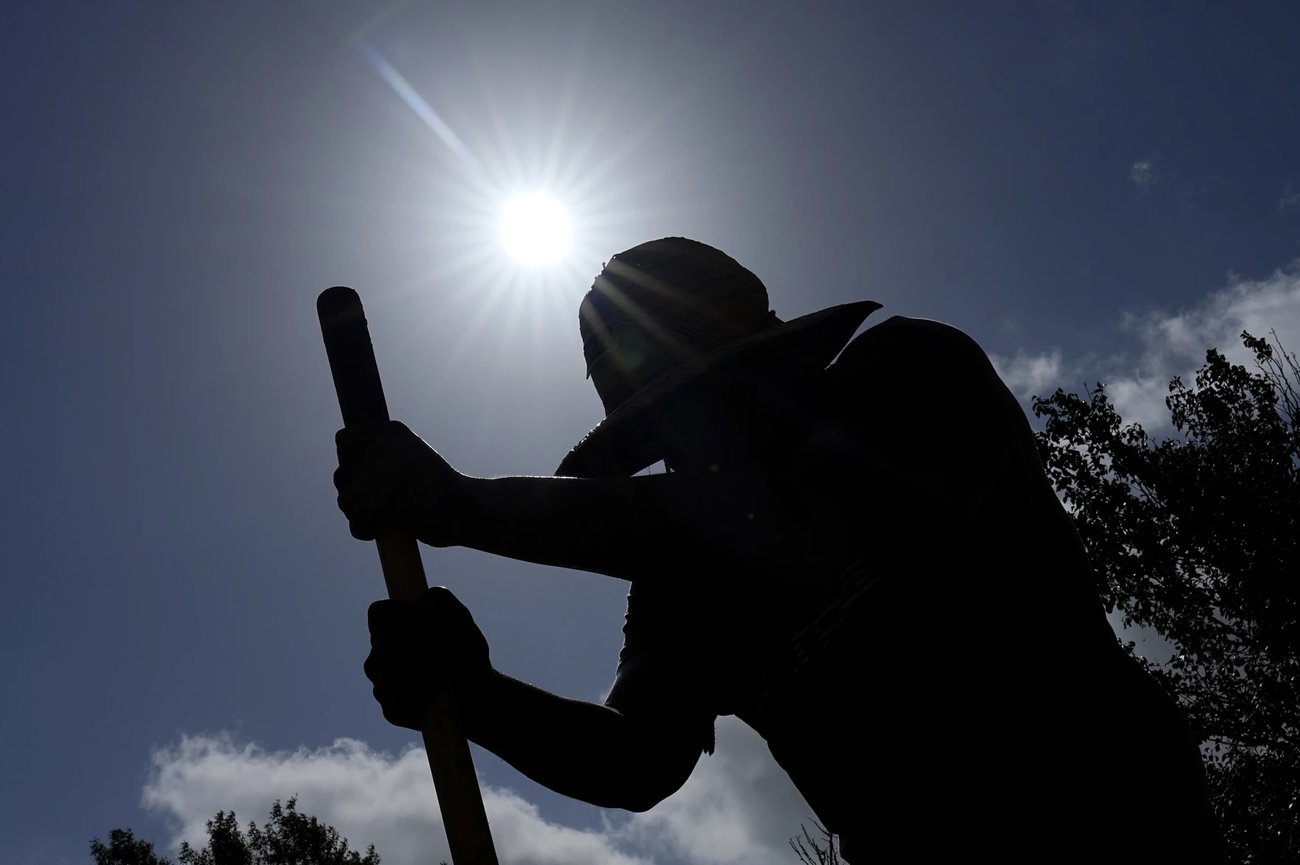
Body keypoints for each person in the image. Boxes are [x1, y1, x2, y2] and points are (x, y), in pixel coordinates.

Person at [334, 237, 1224, 862]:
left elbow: (791, 523)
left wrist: (464, 507)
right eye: (664, 424)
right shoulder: (681, 579)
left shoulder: (912, 378)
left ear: (778, 357)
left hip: (1118, 823)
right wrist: (477, 695)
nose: (696, 436)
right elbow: (636, 758)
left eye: (712, 394)